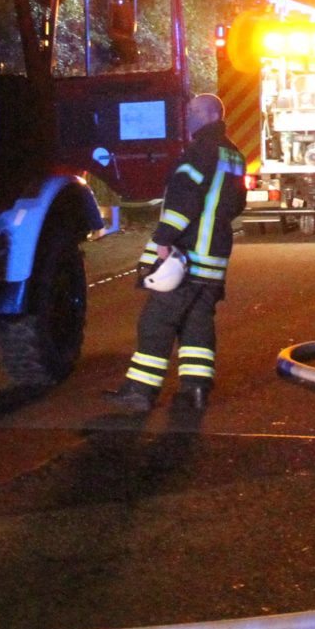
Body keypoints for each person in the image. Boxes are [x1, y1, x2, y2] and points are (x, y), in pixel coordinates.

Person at [107, 93, 246, 414]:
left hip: (187, 256)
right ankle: (195, 390)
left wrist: (164, 238)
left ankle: (140, 392)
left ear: (212, 114)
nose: (188, 115)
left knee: (156, 321)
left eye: (194, 110)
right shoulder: (234, 155)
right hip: (214, 257)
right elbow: (236, 204)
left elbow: (184, 200)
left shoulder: (198, 151)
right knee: (197, 323)